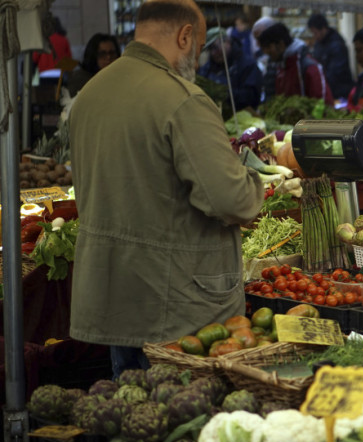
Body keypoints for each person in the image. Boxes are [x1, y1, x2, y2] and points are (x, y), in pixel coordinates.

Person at [68, 0, 264, 376]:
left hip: (114, 299)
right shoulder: (183, 100)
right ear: (184, 36)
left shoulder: (89, 95)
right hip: (177, 306)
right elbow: (231, 200)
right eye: (200, 46)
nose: (198, 60)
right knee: (180, 410)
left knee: (131, 403)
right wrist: (253, 183)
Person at [257, 22, 333, 103]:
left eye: (268, 47)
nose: (266, 52)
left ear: (281, 44)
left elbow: (323, 102)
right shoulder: (280, 66)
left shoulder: (309, 67)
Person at [198, 31, 263, 110]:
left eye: (215, 47)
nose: (213, 53)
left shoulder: (247, 65)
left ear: (227, 42)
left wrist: (225, 93)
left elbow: (251, 97)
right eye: (210, 49)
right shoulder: (207, 68)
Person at [307, 14, 354, 100]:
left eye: (315, 33)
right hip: (327, 89)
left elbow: (335, 74)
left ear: (323, 29)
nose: (314, 36)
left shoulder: (337, 45)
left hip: (339, 92)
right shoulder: (319, 44)